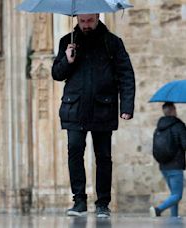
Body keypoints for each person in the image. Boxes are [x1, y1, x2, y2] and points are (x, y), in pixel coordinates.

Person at [52, 14, 135, 217]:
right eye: (82, 21)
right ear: (77, 19)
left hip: (102, 107)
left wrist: (126, 106)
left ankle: (102, 203)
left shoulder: (112, 42)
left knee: (104, 157)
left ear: (97, 17)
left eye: (89, 21)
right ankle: (79, 200)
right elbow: (56, 74)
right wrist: (67, 60)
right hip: (75, 108)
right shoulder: (67, 41)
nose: (86, 25)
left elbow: (126, 74)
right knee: (74, 151)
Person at [150, 102, 186, 217]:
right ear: (173, 110)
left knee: (173, 194)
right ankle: (158, 210)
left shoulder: (159, 127)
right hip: (176, 165)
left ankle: (174, 217)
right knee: (177, 195)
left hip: (163, 166)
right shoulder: (179, 125)